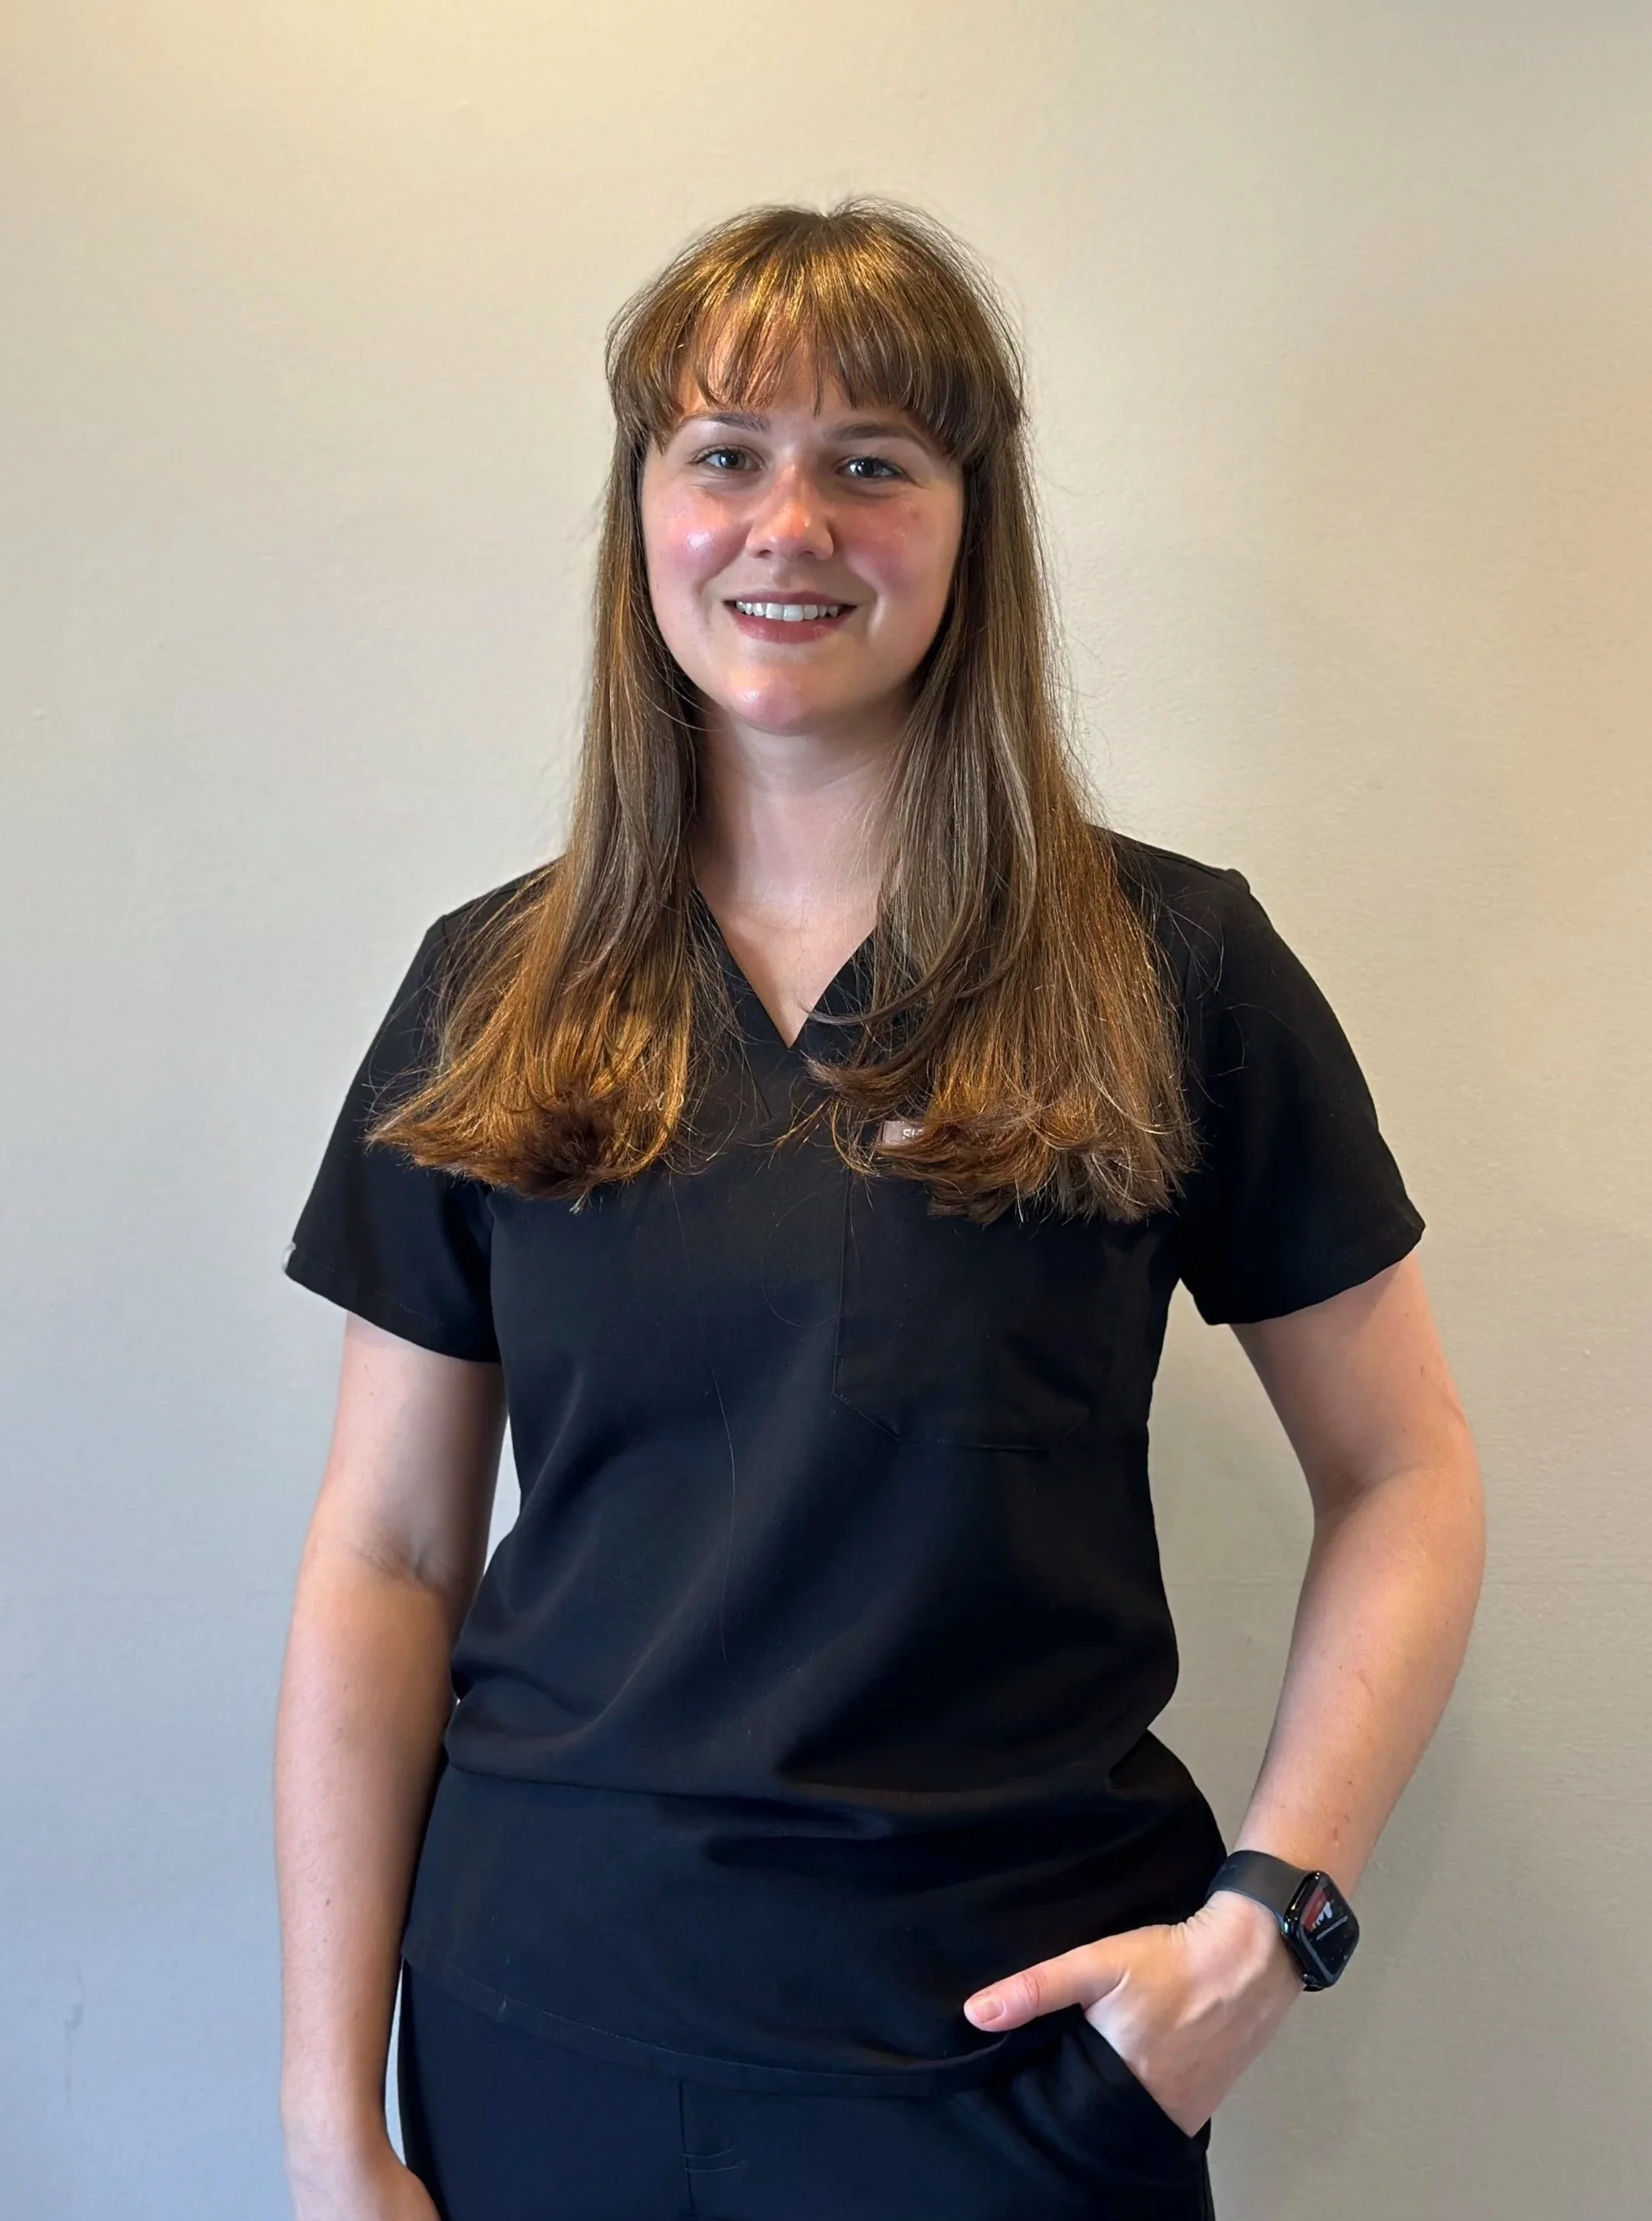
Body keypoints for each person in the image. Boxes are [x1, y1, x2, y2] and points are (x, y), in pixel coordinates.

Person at [273, 199, 1485, 2221]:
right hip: (536, 2046)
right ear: (642, 511)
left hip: (1008, 2073)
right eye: (725, 455)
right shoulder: (491, 990)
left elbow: (1406, 1473)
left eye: (871, 463)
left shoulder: (1170, 966)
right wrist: (331, 2121)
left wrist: (1269, 1928)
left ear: (968, 523)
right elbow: (387, 1559)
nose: (788, 525)